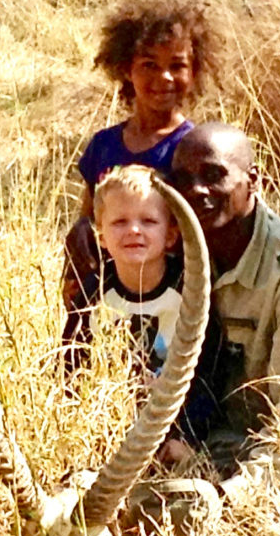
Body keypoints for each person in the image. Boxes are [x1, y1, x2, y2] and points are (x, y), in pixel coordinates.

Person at [168, 122, 280, 479]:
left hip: (253, 462)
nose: (196, 190)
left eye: (214, 175)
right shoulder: (170, 252)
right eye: (183, 179)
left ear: (253, 180)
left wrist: (228, 497)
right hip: (183, 445)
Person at [62, 0, 218, 306]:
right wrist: (73, 266)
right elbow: (88, 216)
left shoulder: (194, 149)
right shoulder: (103, 146)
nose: (164, 77)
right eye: (149, 64)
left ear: (195, 71)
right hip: (109, 300)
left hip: (173, 302)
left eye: (177, 65)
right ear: (124, 69)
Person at [62, 165, 223, 451]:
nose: (134, 230)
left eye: (148, 221)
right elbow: (71, 366)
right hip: (108, 430)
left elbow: (209, 374)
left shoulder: (189, 288)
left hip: (177, 428)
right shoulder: (93, 292)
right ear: (100, 236)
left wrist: (186, 437)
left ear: (172, 235)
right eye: (119, 222)